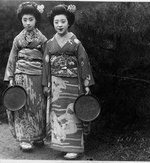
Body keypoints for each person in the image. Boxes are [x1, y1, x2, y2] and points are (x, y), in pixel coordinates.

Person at [42, 4, 95, 159]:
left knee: (72, 113)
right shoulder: (50, 43)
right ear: (53, 23)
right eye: (56, 22)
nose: (59, 25)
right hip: (56, 83)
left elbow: (83, 62)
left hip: (73, 83)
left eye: (63, 21)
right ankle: (61, 145)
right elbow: (46, 64)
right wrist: (46, 84)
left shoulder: (75, 42)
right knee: (58, 113)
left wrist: (86, 84)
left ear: (69, 22)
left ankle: (74, 148)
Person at [4, 2, 47, 151]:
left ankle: (39, 136)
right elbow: (12, 58)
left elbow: (46, 60)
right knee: (22, 106)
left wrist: (46, 80)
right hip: (21, 75)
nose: (28, 23)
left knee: (38, 106)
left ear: (36, 20)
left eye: (31, 19)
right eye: (25, 19)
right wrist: (10, 78)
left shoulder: (42, 39)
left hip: (37, 75)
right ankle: (25, 139)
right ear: (21, 20)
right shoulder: (18, 39)